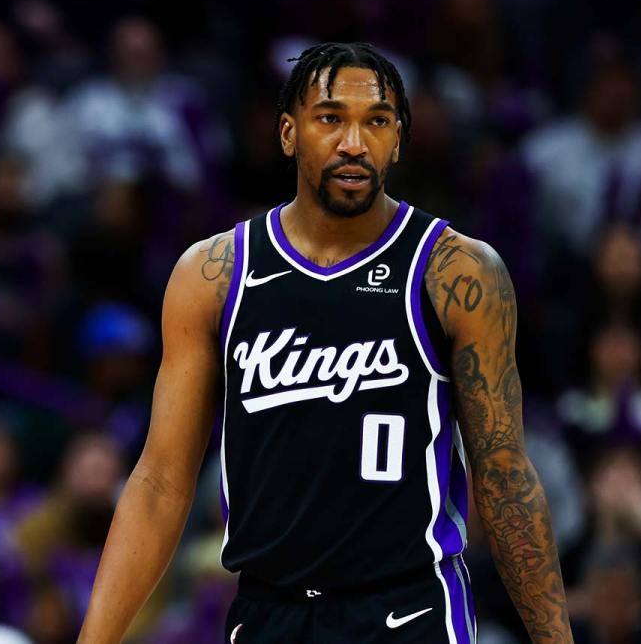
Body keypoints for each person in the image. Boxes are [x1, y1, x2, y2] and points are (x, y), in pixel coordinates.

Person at [78, 42, 573, 643]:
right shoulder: (213, 273)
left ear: (399, 140)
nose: (354, 144)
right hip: (268, 611)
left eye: (378, 122)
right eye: (331, 118)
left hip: (410, 610)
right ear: (288, 133)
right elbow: (159, 483)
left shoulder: (458, 270)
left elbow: (503, 476)